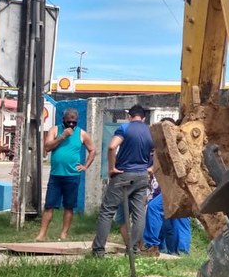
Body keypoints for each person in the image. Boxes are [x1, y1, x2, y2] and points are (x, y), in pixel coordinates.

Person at [91, 104, 154, 258]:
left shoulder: (125, 128)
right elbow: (158, 152)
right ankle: (133, 251)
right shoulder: (150, 131)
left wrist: (112, 168)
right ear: (144, 117)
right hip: (142, 176)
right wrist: (151, 168)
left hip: (123, 174)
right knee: (139, 214)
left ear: (129, 116)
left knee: (107, 210)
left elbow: (112, 147)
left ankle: (98, 250)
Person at [36, 108, 96, 241]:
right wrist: (62, 136)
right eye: (69, 122)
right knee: (49, 205)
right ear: (63, 120)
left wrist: (85, 166)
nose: (71, 125)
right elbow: (47, 147)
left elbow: (92, 150)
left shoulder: (82, 133)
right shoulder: (55, 130)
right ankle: (42, 234)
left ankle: (64, 234)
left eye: (74, 122)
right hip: (56, 175)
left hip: (72, 175)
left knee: (69, 206)